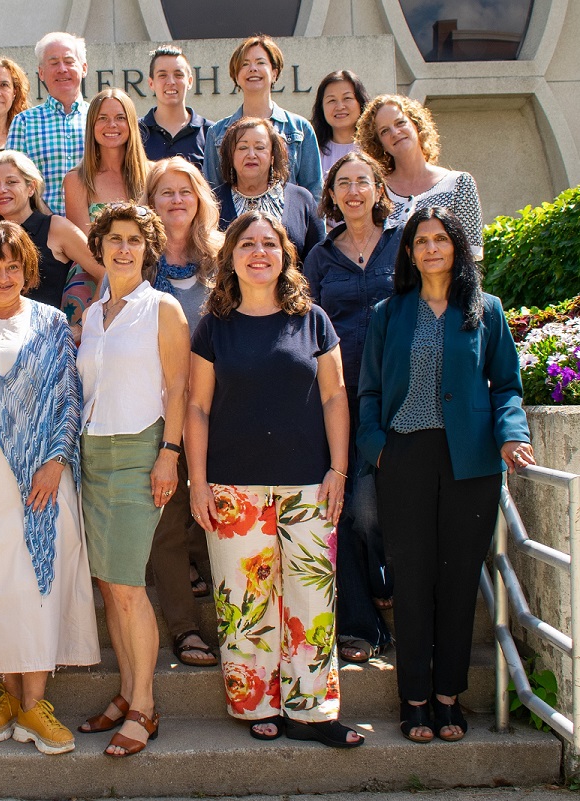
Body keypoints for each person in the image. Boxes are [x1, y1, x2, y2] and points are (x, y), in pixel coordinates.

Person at [185, 210, 364, 749]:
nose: (259, 253)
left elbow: (335, 396)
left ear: (286, 255)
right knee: (245, 601)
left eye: (269, 244)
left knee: (311, 601)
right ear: (231, 258)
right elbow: (196, 407)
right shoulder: (214, 327)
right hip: (234, 488)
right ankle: (256, 704)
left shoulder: (313, 320)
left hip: (309, 482)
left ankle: (313, 709)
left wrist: (339, 468)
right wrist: (197, 482)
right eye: (247, 245)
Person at [357, 206, 533, 743]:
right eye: (421, 241)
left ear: (457, 248)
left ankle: (448, 697)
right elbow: (368, 390)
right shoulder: (389, 313)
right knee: (412, 582)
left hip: (471, 462)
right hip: (404, 457)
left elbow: (505, 384)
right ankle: (413, 699)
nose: (432, 249)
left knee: (458, 582)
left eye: (441, 239)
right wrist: (378, 448)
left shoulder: (487, 310)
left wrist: (512, 434)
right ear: (409, 253)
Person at [0, 221, 100, 756]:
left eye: (13, 266)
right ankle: (9, 698)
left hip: (42, 477)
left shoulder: (53, 322)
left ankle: (35, 703)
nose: (3, 275)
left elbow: (68, 397)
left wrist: (57, 461)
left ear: (29, 270)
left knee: (38, 580)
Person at [76, 202, 190, 757]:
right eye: (114, 239)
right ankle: (125, 691)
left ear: (148, 250)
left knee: (126, 585)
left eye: (133, 240)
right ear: (99, 246)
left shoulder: (162, 308)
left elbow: (179, 390)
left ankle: (144, 706)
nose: (123, 249)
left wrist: (169, 453)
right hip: (92, 455)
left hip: (140, 452)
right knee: (108, 585)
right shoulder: (94, 315)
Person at [304, 152, 400, 664]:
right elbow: (307, 325)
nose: (354, 190)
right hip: (341, 396)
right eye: (344, 182)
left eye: (364, 181)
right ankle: (361, 623)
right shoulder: (320, 257)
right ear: (332, 195)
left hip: (401, 393)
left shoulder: (403, 243)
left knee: (385, 509)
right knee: (353, 511)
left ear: (378, 189)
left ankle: (386, 574)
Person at [141, 157, 222, 669]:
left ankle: (235, 621)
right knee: (167, 521)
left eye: (184, 192)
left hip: (220, 408)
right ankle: (185, 628)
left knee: (212, 513)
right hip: (156, 409)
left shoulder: (225, 258)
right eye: (164, 193)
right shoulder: (137, 260)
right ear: (150, 203)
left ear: (200, 200)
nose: (175, 201)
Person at [0, 150, 104, 321]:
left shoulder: (56, 228)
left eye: (11, 182)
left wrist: (85, 325)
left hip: (48, 340)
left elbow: (106, 274)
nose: (1, 190)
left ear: (31, 188)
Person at [356, 94, 484, 259]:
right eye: (384, 131)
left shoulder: (459, 184)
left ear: (416, 125)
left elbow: (470, 257)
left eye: (400, 123)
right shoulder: (377, 192)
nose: (395, 132)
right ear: (379, 144)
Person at [202, 34, 322, 201]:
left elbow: (314, 193)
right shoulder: (217, 133)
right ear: (236, 76)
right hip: (233, 225)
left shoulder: (300, 128)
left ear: (274, 73)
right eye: (245, 64)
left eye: (260, 63)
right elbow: (211, 195)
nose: (253, 69)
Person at [213, 117, 324, 261]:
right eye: (242, 148)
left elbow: (319, 259)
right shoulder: (213, 202)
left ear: (272, 156)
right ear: (230, 156)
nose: (251, 155)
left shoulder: (301, 199)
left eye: (260, 147)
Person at [7, 32, 89, 216]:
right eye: (53, 63)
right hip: (42, 233)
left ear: (84, 68)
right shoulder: (24, 123)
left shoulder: (100, 119)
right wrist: (50, 222)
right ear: (41, 73)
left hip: (96, 231)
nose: (62, 69)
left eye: (69, 61)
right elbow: (12, 181)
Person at [64, 88, 150, 235]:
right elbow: (83, 249)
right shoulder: (77, 180)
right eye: (102, 118)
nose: (111, 124)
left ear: (131, 124)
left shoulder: (152, 174)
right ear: (92, 125)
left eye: (120, 118)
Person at [139, 45, 212, 169]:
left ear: (189, 82)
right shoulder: (136, 132)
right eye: (162, 75)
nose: (171, 82)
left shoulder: (210, 133)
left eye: (178, 75)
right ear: (151, 83)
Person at [311, 70, 371, 177]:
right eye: (331, 100)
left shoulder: (375, 149)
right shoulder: (313, 151)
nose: (340, 107)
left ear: (360, 103)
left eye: (347, 98)